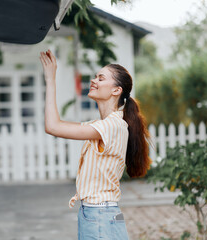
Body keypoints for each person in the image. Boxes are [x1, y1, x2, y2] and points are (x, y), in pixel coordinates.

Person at [39, 50, 151, 240]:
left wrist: (51, 80)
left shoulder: (112, 125)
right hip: (101, 214)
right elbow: (54, 125)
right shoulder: (103, 125)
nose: (94, 80)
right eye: (95, 76)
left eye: (101, 78)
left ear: (116, 90)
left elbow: (52, 127)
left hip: (99, 215)